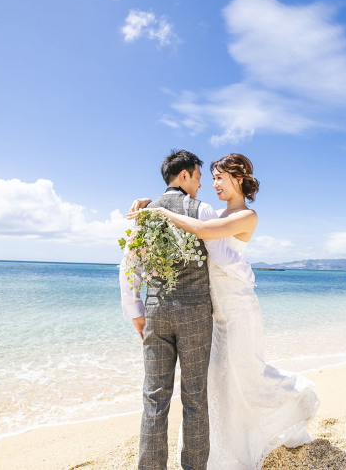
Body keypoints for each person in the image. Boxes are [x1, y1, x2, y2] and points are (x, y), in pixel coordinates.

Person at [128, 153, 319, 470]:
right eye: (212, 177)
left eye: (220, 178)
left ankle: (297, 395)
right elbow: (190, 216)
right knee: (220, 384)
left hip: (238, 307)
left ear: (239, 179)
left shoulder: (247, 216)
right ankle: (222, 453)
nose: (213, 184)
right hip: (212, 311)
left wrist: (158, 210)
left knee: (246, 377)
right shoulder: (213, 212)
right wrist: (148, 202)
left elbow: (201, 229)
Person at [120, 149, 235, 470]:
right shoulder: (202, 209)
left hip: (156, 310)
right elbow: (222, 258)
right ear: (184, 175)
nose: (200, 186)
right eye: (198, 178)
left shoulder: (145, 212)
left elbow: (130, 265)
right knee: (195, 398)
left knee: (154, 397)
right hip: (196, 312)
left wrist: (135, 309)